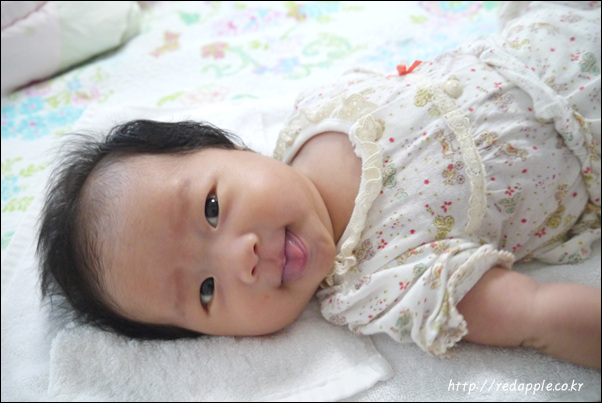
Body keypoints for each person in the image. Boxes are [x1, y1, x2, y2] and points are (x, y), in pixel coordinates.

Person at [38, 1, 601, 369]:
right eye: (206, 292)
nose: (241, 258)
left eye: (211, 209)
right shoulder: (381, 287)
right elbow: (538, 315)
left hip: (551, 30)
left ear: (230, 148)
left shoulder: (316, 113)